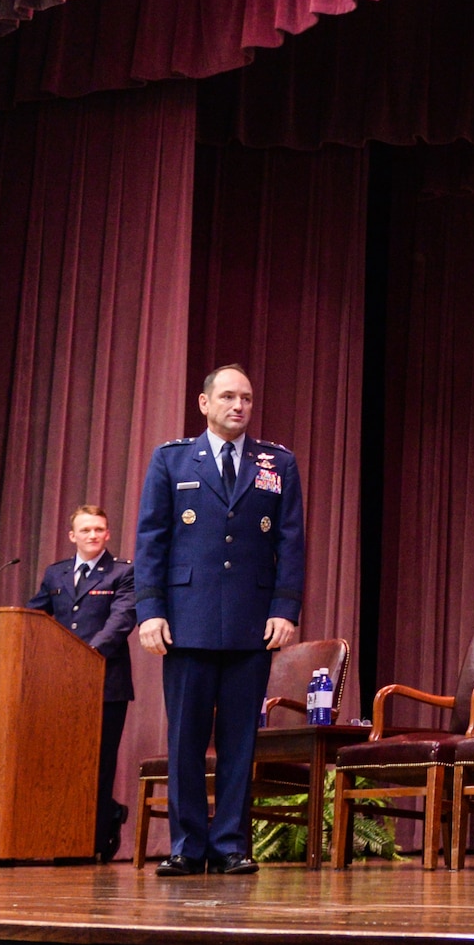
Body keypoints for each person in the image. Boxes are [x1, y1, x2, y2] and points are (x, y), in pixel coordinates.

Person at [134, 365, 304, 876]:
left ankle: (230, 843)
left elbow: (290, 541)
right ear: (204, 403)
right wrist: (150, 611)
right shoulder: (172, 459)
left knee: (239, 739)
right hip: (187, 619)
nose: (239, 406)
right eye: (228, 397)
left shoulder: (278, 462)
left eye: (247, 398)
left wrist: (285, 608)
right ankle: (187, 845)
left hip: (252, 620)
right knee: (185, 738)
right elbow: (151, 540)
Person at [26, 505, 136, 861]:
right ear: (72, 536)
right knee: (65, 761)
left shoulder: (122, 573)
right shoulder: (55, 573)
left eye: (99, 530)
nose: (92, 535)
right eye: (85, 530)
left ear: (107, 534)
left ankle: (94, 840)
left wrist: (83, 655)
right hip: (62, 684)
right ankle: (69, 834)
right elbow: (34, 617)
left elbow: (120, 623)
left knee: (99, 762)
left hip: (106, 683)